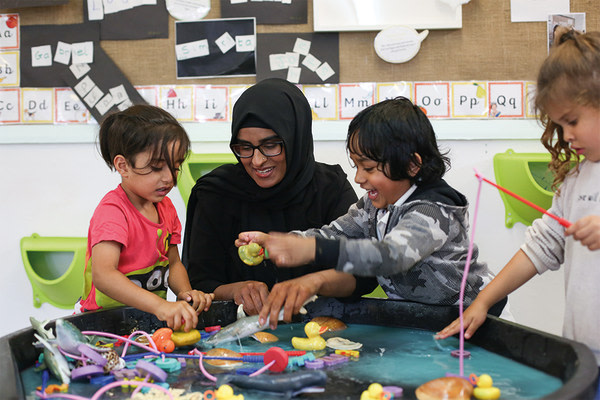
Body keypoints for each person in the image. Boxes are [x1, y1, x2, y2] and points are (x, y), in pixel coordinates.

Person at [237, 97, 502, 329]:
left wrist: (311, 250)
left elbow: (390, 257)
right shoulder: (373, 206)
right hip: (425, 319)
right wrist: (275, 244)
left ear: (411, 165)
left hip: (479, 315)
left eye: (369, 168)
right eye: (355, 165)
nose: (358, 178)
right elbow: (332, 233)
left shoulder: (433, 211)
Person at [436, 29, 600, 369]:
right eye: (559, 125)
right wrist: (483, 301)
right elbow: (541, 247)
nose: (566, 136)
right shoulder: (575, 180)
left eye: (572, 121)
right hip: (585, 356)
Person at [182, 78, 377, 316]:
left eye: (271, 145)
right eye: (244, 147)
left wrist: (313, 284)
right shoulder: (214, 193)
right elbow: (197, 284)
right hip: (237, 334)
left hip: (321, 329)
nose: (257, 161)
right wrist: (236, 291)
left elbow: (362, 274)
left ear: (295, 138)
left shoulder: (329, 187)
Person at [78, 105, 213, 332]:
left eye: (176, 167)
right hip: (103, 326)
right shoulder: (113, 211)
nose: (169, 178)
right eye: (157, 167)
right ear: (123, 166)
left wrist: (185, 292)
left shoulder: (166, 208)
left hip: (144, 324)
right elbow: (104, 275)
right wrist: (161, 306)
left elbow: (173, 263)